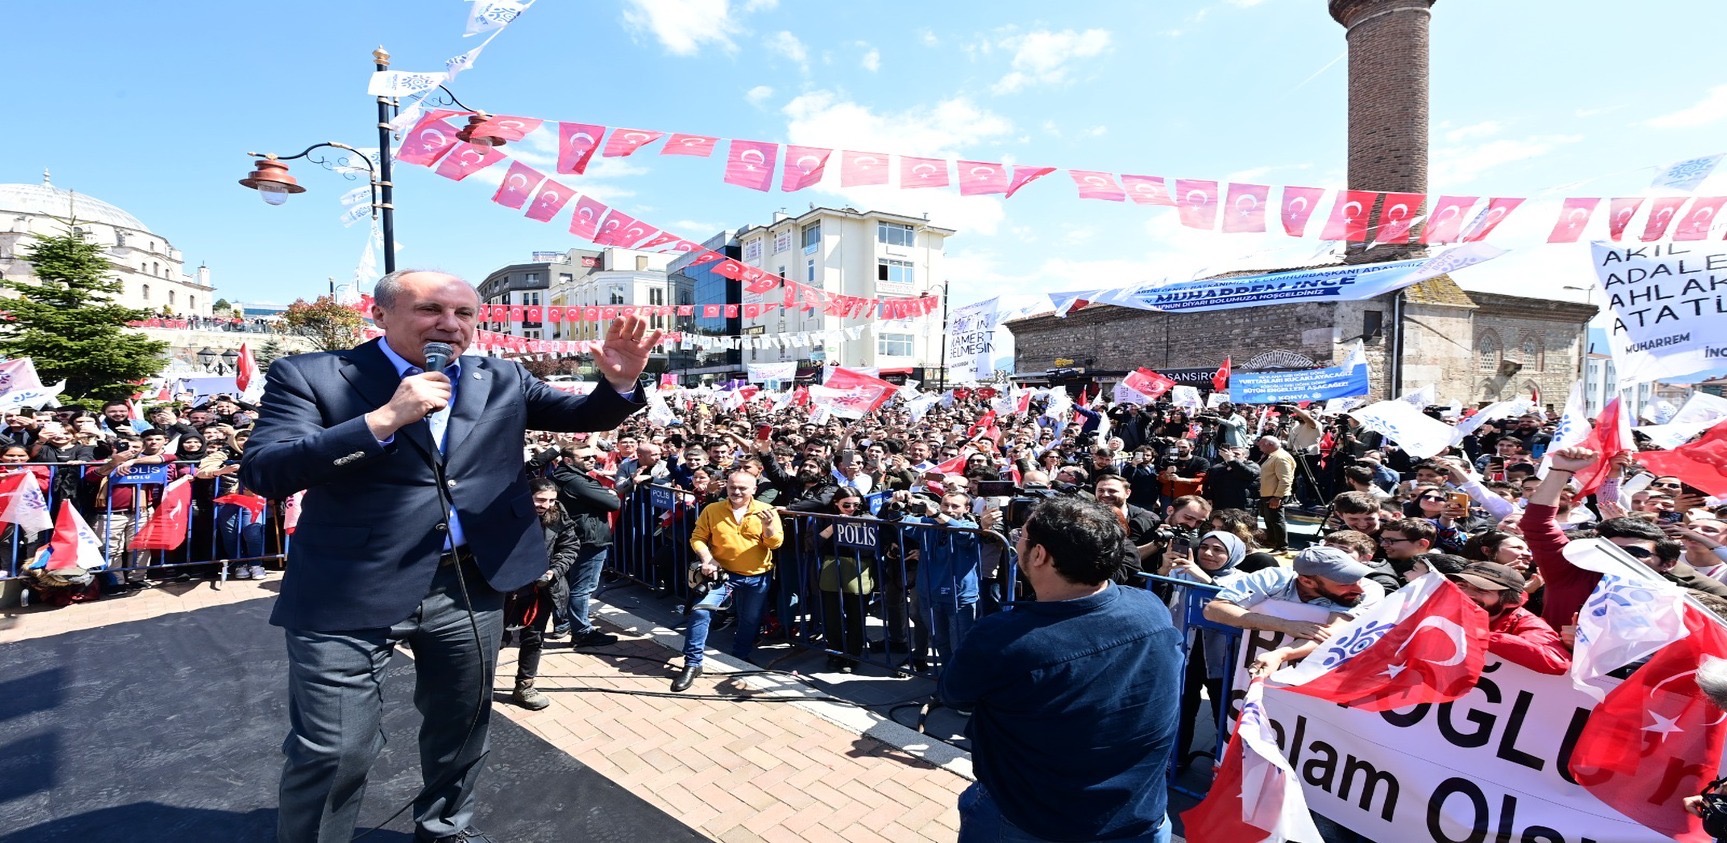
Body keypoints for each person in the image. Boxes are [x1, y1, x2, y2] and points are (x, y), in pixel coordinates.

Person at [240, 269, 654, 843]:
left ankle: (445, 828)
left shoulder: (501, 376)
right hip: (348, 586)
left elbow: (582, 415)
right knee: (335, 746)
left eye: (464, 315)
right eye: (432, 310)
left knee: (461, 726)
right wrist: (382, 420)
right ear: (380, 314)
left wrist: (620, 386)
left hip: (467, 582)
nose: (451, 325)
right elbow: (267, 470)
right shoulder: (313, 375)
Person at [940, 496, 1181, 842]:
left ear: (1039, 555)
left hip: (1031, 821)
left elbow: (954, 692)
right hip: (1140, 816)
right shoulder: (1150, 607)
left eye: (1022, 534)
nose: (1016, 538)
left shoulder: (1003, 638)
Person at [673, 470, 784, 692]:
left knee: (750, 620)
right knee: (701, 611)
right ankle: (692, 663)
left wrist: (769, 527)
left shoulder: (766, 511)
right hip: (722, 575)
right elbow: (698, 538)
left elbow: (775, 544)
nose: (737, 491)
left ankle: (739, 658)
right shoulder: (712, 509)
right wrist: (708, 558)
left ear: (754, 489)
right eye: (732, 487)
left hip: (756, 576)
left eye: (743, 488)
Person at [505, 479, 580, 710]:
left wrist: (553, 571)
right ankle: (479, 689)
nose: (545, 505)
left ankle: (525, 686)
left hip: (542, 590)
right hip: (506, 591)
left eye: (550, 500)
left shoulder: (558, 514)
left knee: (534, 639)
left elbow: (570, 546)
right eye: (540, 499)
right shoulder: (506, 514)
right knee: (495, 640)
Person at [1448, 560, 1571, 675]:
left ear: (1509, 600)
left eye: (1482, 590)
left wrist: (1479, 636)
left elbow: (1556, 661)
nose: (1466, 594)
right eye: (1461, 585)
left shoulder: (1526, 622)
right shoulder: (1438, 605)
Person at [1256, 434, 1294, 552]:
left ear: (1270, 445)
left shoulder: (1281, 458)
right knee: (1269, 519)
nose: (1259, 446)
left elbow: (1285, 479)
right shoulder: (1272, 456)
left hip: (1275, 494)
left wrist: (1277, 497)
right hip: (1268, 493)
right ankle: (1272, 540)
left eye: (1262, 444)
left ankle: (1282, 546)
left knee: (1277, 520)